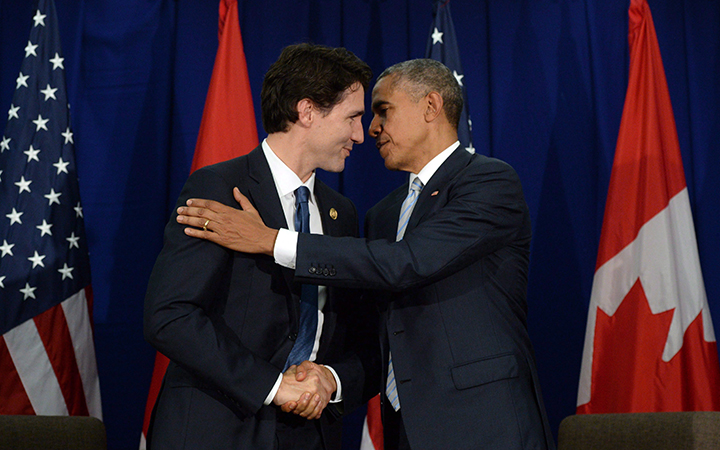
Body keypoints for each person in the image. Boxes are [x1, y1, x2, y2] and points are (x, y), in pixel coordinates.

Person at [176, 59, 555, 450]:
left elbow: (407, 262)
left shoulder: (490, 182)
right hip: (405, 429)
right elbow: (376, 334)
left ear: (431, 106)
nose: (370, 130)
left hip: (484, 425)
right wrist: (332, 378)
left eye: (382, 111)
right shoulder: (382, 215)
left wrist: (273, 241)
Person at [143, 43, 379, 450]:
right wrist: (272, 386)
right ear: (307, 111)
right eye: (353, 117)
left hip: (311, 435)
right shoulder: (219, 189)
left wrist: (331, 380)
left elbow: (360, 339)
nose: (361, 134)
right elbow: (170, 315)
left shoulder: (342, 213)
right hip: (216, 430)